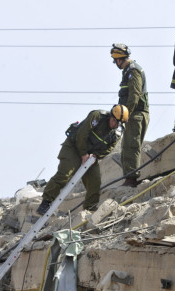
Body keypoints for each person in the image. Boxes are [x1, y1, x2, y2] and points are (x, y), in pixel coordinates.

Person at [36, 105, 129, 215]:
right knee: (65, 174)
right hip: (74, 147)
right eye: (114, 120)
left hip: (91, 156)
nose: (114, 124)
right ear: (110, 116)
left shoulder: (117, 133)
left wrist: (95, 156)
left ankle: (90, 209)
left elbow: (109, 148)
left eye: (117, 123)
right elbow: (81, 134)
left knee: (95, 182)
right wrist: (83, 153)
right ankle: (45, 202)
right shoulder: (97, 117)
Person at [110, 44, 150, 188]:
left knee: (131, 146)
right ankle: (129, 177)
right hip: (132, 115)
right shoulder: (128, 71)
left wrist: (126, 115)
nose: (115, 64)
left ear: (119, 59)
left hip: (136, 114)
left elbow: (134, 95)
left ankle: (132, 179)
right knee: (126, 146)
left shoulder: (133, 70)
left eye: (115, 61)